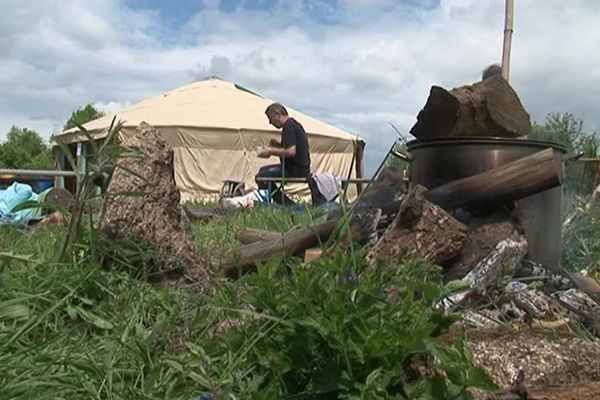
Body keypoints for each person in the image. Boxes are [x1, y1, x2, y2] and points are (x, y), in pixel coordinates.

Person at [255, 103, 311, 205]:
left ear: (277, 114)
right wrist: (277, 145)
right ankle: (284, 203)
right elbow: (293, 148)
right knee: (263, 171)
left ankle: (286, 205)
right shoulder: (293, 124)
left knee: (261, 177)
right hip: (299, 167)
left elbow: (291, 151)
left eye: (270, 118)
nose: (270, 122)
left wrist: (270, 151)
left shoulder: (288, 126)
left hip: (296, 170)